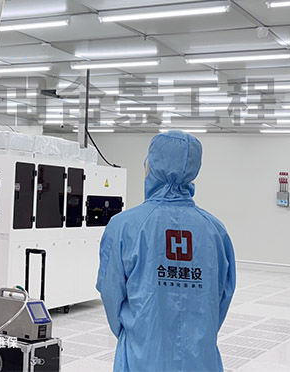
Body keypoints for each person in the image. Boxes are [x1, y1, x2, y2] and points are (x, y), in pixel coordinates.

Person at [96, 130, 236, 372]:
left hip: (143, 357)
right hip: (199, 360)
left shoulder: (124, 226)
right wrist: (200, 334)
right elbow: (222, 295)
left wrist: (136, 333)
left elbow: (111, 292)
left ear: (152, 166)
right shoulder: (215, 230)